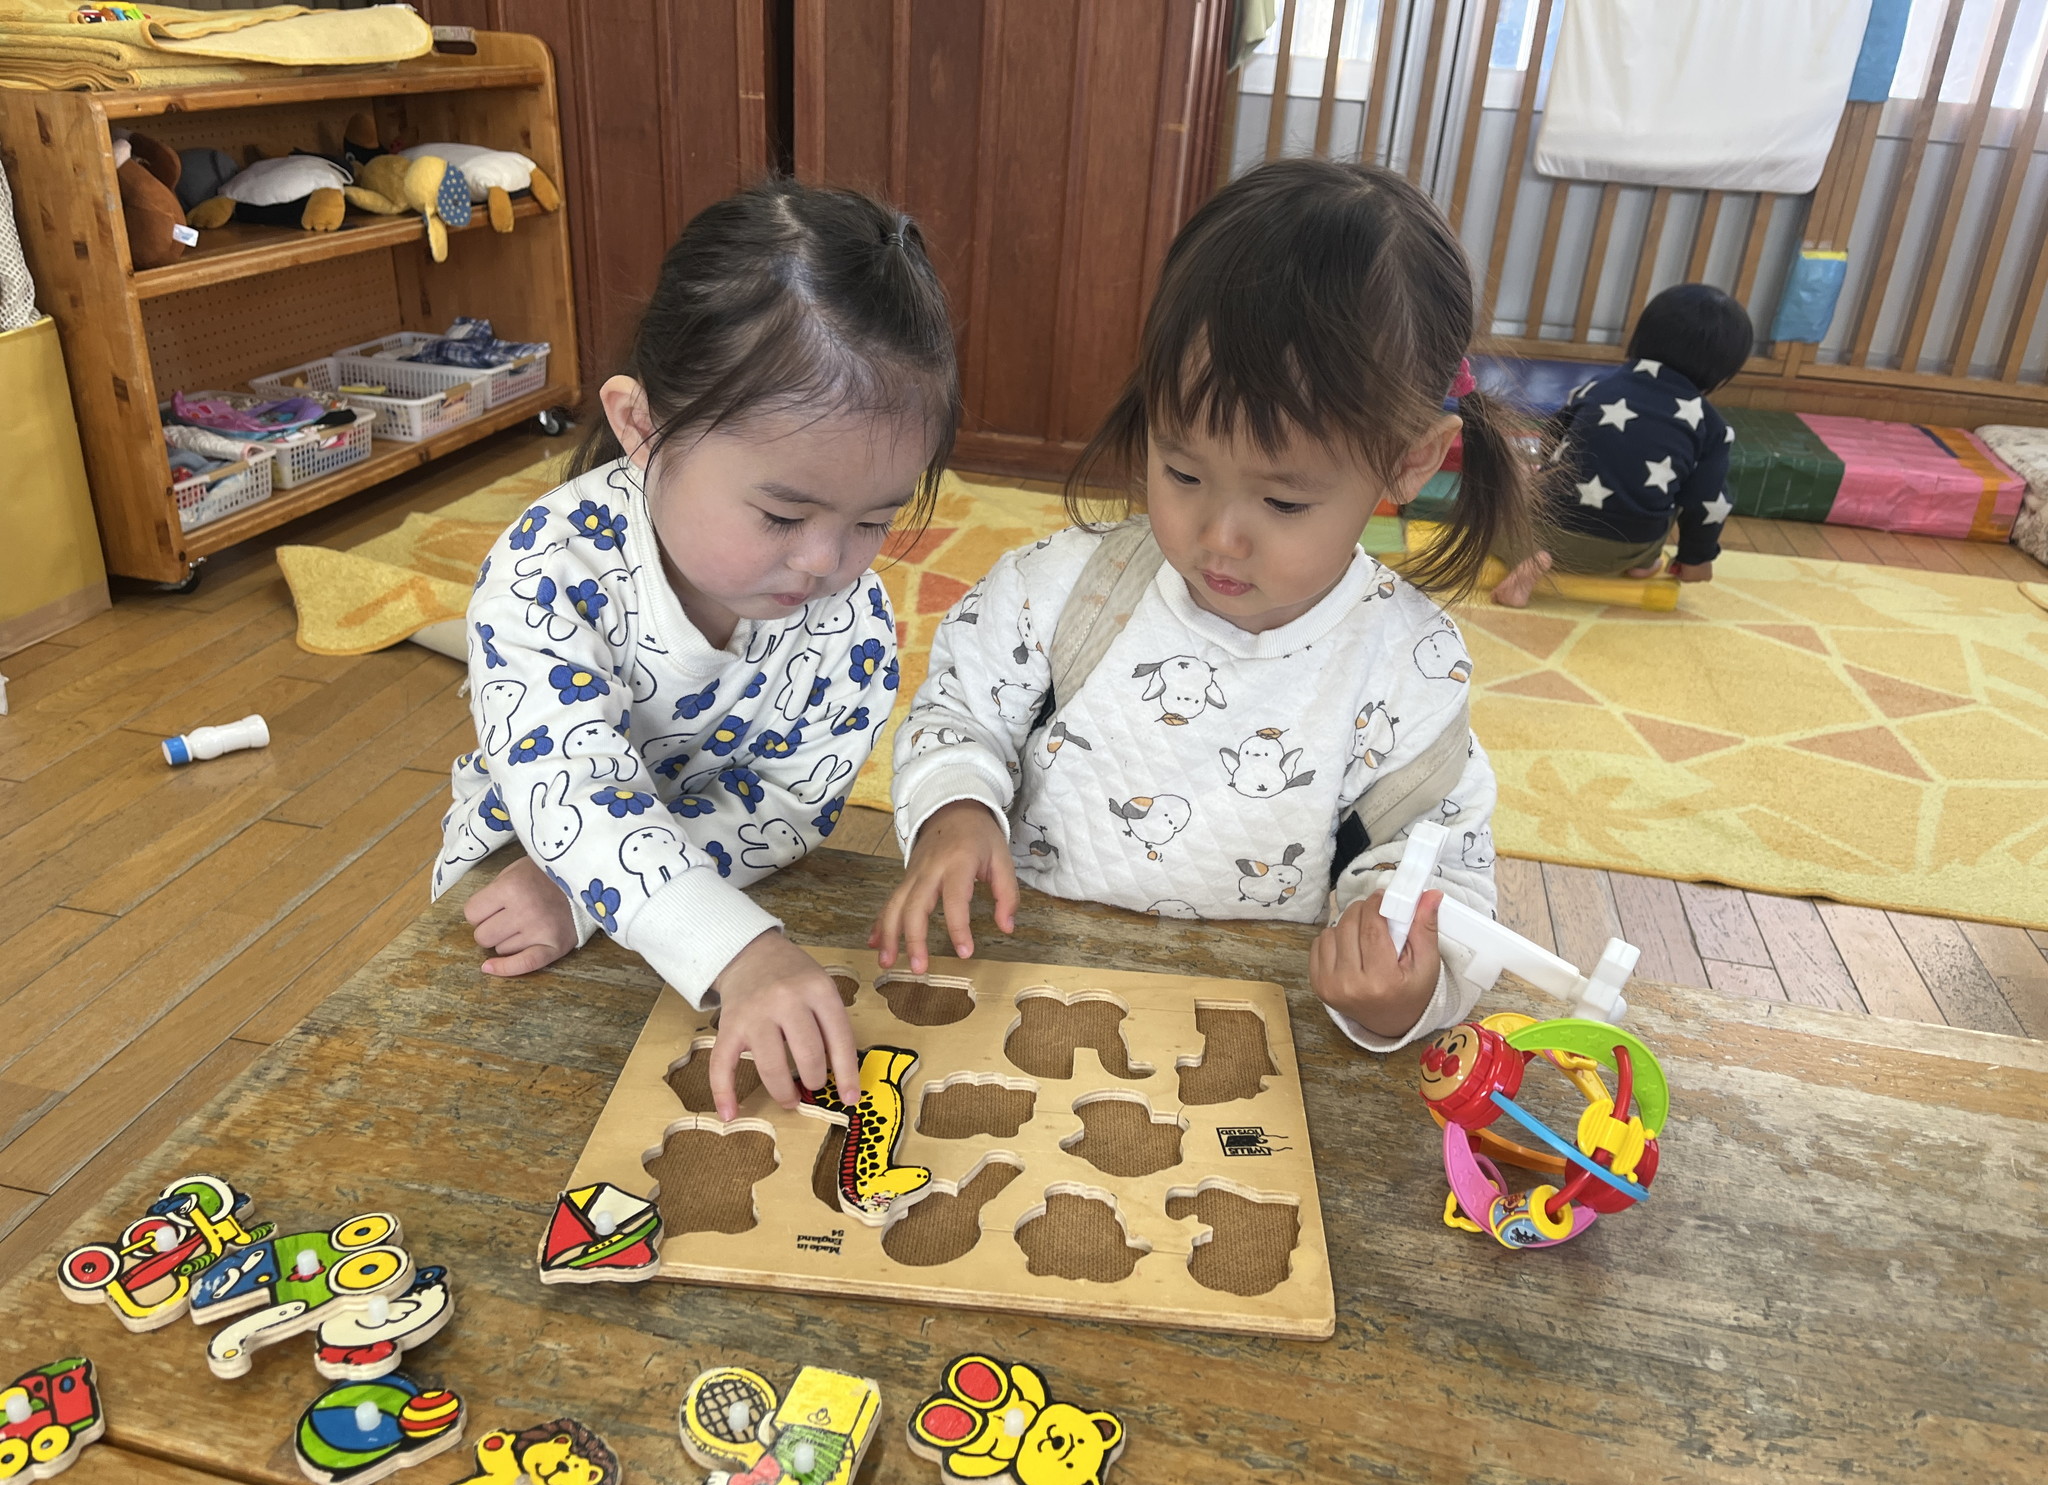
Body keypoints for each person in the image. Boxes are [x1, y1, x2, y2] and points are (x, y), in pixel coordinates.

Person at [871, 158, 1542, 1052]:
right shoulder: (1059, 591)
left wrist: (1399, 985)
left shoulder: (1408, 669)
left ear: (1410, 461)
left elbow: (1438, 875)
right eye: (1183, 471)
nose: (1220, 537)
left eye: (1284, 501)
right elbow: (959, 713)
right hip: (1018, 978)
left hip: (1242, 1025)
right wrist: (956, 814)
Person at [432, 179, 958, 1116]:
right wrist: (735, 948)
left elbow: (790, 807)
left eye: (873, 521)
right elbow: (569, 787)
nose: (826, 561)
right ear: (642, 428)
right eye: (783, 514)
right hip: (519, 880)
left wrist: (603, 903)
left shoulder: (853, 620)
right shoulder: (551, 569)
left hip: (691, 896)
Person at [1492, 282, 1752, 607]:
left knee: (1502, 504)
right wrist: (1696, 558)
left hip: (1548, 534)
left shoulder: (1596, 388)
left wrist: (1540, 472)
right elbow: (1709, 503)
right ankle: (1645, 563)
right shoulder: (1711, 426)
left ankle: (1527, 563)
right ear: (1723, 372)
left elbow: (1551, 440)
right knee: (1680, 487)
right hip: (1630, 547)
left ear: (1639, 338)